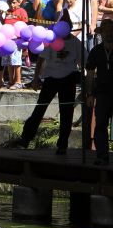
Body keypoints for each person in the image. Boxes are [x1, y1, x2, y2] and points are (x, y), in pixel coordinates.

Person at [14, 22, 83, 155]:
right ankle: (25, 138)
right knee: (40, 108)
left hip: (68, 78)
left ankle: (62, 145)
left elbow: (83, 60)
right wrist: (35, 78)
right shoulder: (52, 39)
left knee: (66, 112)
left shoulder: (76, 42)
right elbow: (41, 59)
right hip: (51, 78)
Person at [85, 20, 113, 165]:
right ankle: (102, 155)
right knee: (101, 123)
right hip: (102, 92)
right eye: (105, 31)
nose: (109, 34)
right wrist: (90, 94)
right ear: (101, 33)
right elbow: (90, 73)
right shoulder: (96, 51)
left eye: (111, 31)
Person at [2, 0, 28, 90]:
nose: (11, 5)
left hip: (17, 39)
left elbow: (24, 26)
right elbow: (5, 24)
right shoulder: (8, 11)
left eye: (13, 2)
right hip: (7, 40)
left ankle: (18, 81)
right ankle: (11, 80)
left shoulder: (22, 11)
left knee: (16, 61)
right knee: (8, 61)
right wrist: (0, 16)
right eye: (9, 2)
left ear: (18, 2)